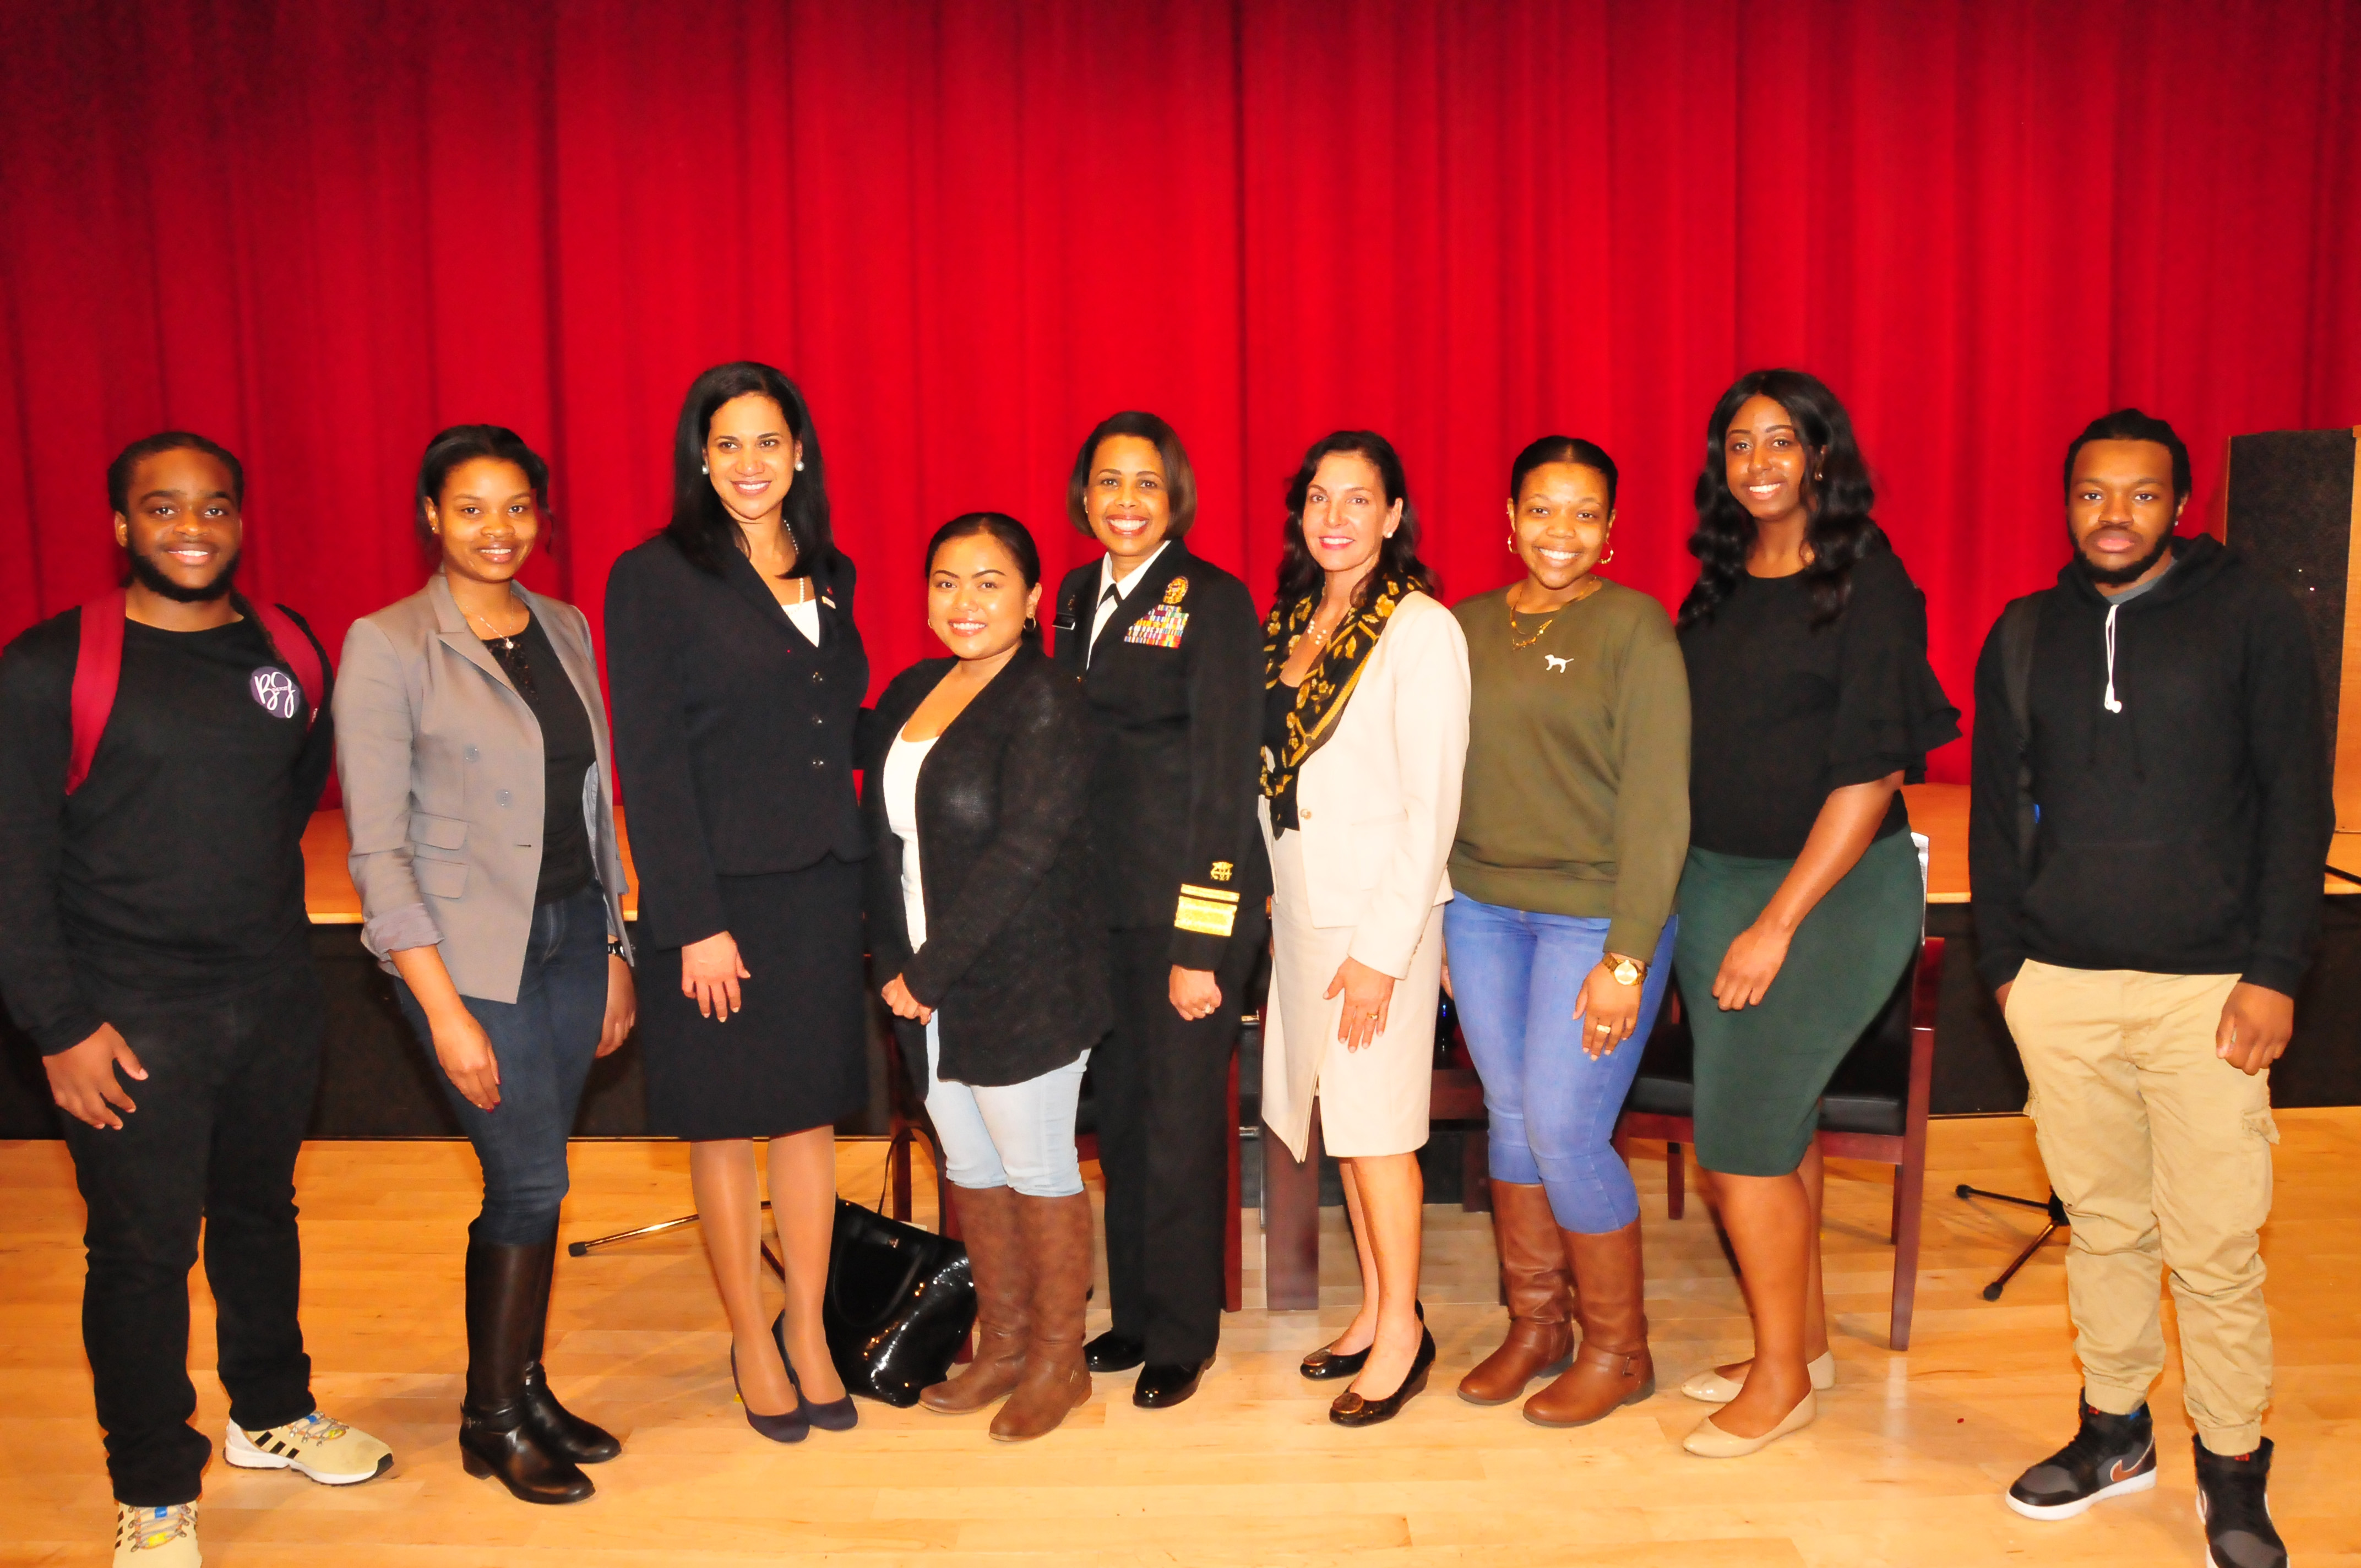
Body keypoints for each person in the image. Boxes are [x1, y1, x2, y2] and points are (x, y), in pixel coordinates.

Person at [0, 433, 392, 1567]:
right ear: (122, 526)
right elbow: (13, 867)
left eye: (213, 506)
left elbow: (283, 804)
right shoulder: (47, 668)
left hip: (271, 994)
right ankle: (155, 1488)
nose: (191, 527)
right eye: (162, 508)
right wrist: (60, 1027)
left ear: (240, 519)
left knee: (263, 1213)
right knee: (140, 1253)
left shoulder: (290, 653)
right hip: (124, 1017)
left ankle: (270, 1409)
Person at [1971, 410, 2325, 1567]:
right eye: (2089, 492)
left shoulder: (2252, 620)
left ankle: (2230, 1466)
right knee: (2104, 1229)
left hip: (2208, 989)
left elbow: (2293, 806)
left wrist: (2272, 971)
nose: (2111, 514)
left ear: (2179, 505)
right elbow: (1989, 814)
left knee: (2214, 1245)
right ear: (2064, 501)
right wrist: (2005, 971)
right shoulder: (2023, 632)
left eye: (2137, 493)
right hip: (2060, 985)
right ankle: (2112, 1434)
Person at [334, 425, 637, 1504]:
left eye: (517, 508)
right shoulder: (387, 642)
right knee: (526, 1177)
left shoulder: (562, 624)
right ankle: (489, 1418)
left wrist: (613, 945)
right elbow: (375, 846)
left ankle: (526, 1384)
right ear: (430, 515)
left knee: (538, 1177)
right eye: (471, 508)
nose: (497, 529)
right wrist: (443, 1007)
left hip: (567, 935)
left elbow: (594, 806)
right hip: (468, 961)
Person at [1671, 370, 1958, 1458]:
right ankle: (1799, 1341)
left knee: (1738, 1141)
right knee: (1773, 1121)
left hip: (1824, 895)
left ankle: (1782, 1383)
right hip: (1717, 881)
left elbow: (1870, 771)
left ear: (1820, 457)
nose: (1756, 462)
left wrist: (1776, 920)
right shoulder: (1720, 582)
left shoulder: (1867, 582)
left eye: (1779, 441)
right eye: (1737, 443)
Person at [603, 363, 867, 1442]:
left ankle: (804, 1324)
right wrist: (690, 919)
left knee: (807, 1115)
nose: (751, 464)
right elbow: (651, 764)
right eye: (729, 445)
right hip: (712, 899)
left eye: (770, 442)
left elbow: (829, 723)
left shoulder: (833, 568)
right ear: (699, 460)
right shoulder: (653, 575)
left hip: (818, 884)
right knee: (722, 1124)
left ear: (798, 452)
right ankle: (747, 1338)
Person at [1444, 435, 1689, 1426]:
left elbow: (1661, 805)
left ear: (1613, 534)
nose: (1562, 532)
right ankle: (1538, 1327)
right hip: (1482, 912)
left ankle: (1620, 1350)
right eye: (1543, 510)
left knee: (1565, 1127)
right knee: (1510, 1118)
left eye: (1585, 513)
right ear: (1509, 519)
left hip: (1598, 917)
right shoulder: (1460, 627)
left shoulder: (1637, 628)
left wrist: (1627, 958)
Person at [865, 513, 1109, 1442]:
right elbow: (883, 846)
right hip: (921, 985)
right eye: (946, 582)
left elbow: (1025, 852)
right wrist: (900, 969)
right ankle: (1002, 1345)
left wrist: (930, 972)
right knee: (968, 1166)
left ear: (1035, 599)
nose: (965, 602)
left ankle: (1060, 1358)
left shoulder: (1049, 698)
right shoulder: (912, 692)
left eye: (990, 582)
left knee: (1038, 1168)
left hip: (1023, 977)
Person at [1046, 412, 1267, 1409]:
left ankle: (1184, 1333)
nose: (1125, 500)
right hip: (1100, 914)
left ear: (1174, 495)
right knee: (1126, 1122)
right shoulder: (1078, 596)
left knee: (1181, 1123)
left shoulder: (1213, 600)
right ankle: (1134, 1315)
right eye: (1107, 482)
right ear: (1084, 497)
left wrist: (1202, 944)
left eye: (1145, 482)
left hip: (1187, 913)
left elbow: (1224, 782)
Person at [1261, 431, 1470, 1428]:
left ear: (1394, 517)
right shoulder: (1295, 619)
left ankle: (1403, 1338)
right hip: (1304, 908)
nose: (1335, 518)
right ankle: (1380, 1304)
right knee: (1343, 1125)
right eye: (1318, 499)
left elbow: (1432, 809)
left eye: (1359, 500)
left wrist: (1386, 953)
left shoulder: (1419, 629)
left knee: (1380, 1130)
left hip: (1376, 916)